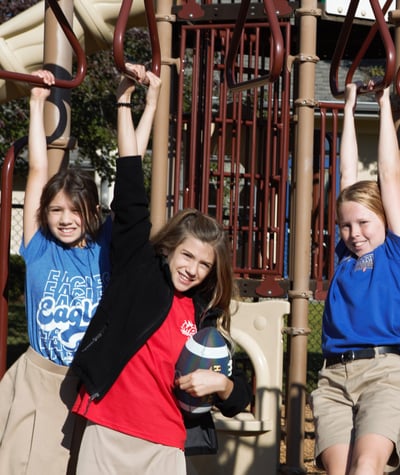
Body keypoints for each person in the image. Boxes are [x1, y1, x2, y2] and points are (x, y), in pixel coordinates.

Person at [70, 64, 251, 473]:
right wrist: (128, 100)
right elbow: (131, 183)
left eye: (205, 265)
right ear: (170, 248)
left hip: (166, 444)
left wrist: (221, 385)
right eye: (188, 256)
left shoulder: (204, 310)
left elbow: (239, 395)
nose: (193, 270)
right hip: (109, 428)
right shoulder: (138, 264)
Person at [0, 70, 111, 474]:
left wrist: (136, 107)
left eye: (75, 210)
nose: (65, 219)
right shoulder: (41, 248)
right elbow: (36, 173)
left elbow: (133, 194)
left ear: (93, 212)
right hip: (41, 374)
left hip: (87, 380)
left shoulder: (103, 252)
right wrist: (35, 104)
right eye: (55, 210)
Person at [309, 83, 400, 474]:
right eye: (345, 226)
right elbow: (347, 174)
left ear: (385, 221)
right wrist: (350, 109)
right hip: (334, 375)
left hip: (382, 372)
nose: (354, 233)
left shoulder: (398, 251)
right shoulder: (344, 255)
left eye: (364, 223)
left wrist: (384, 102)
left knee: (365, 468)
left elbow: (389, 176)